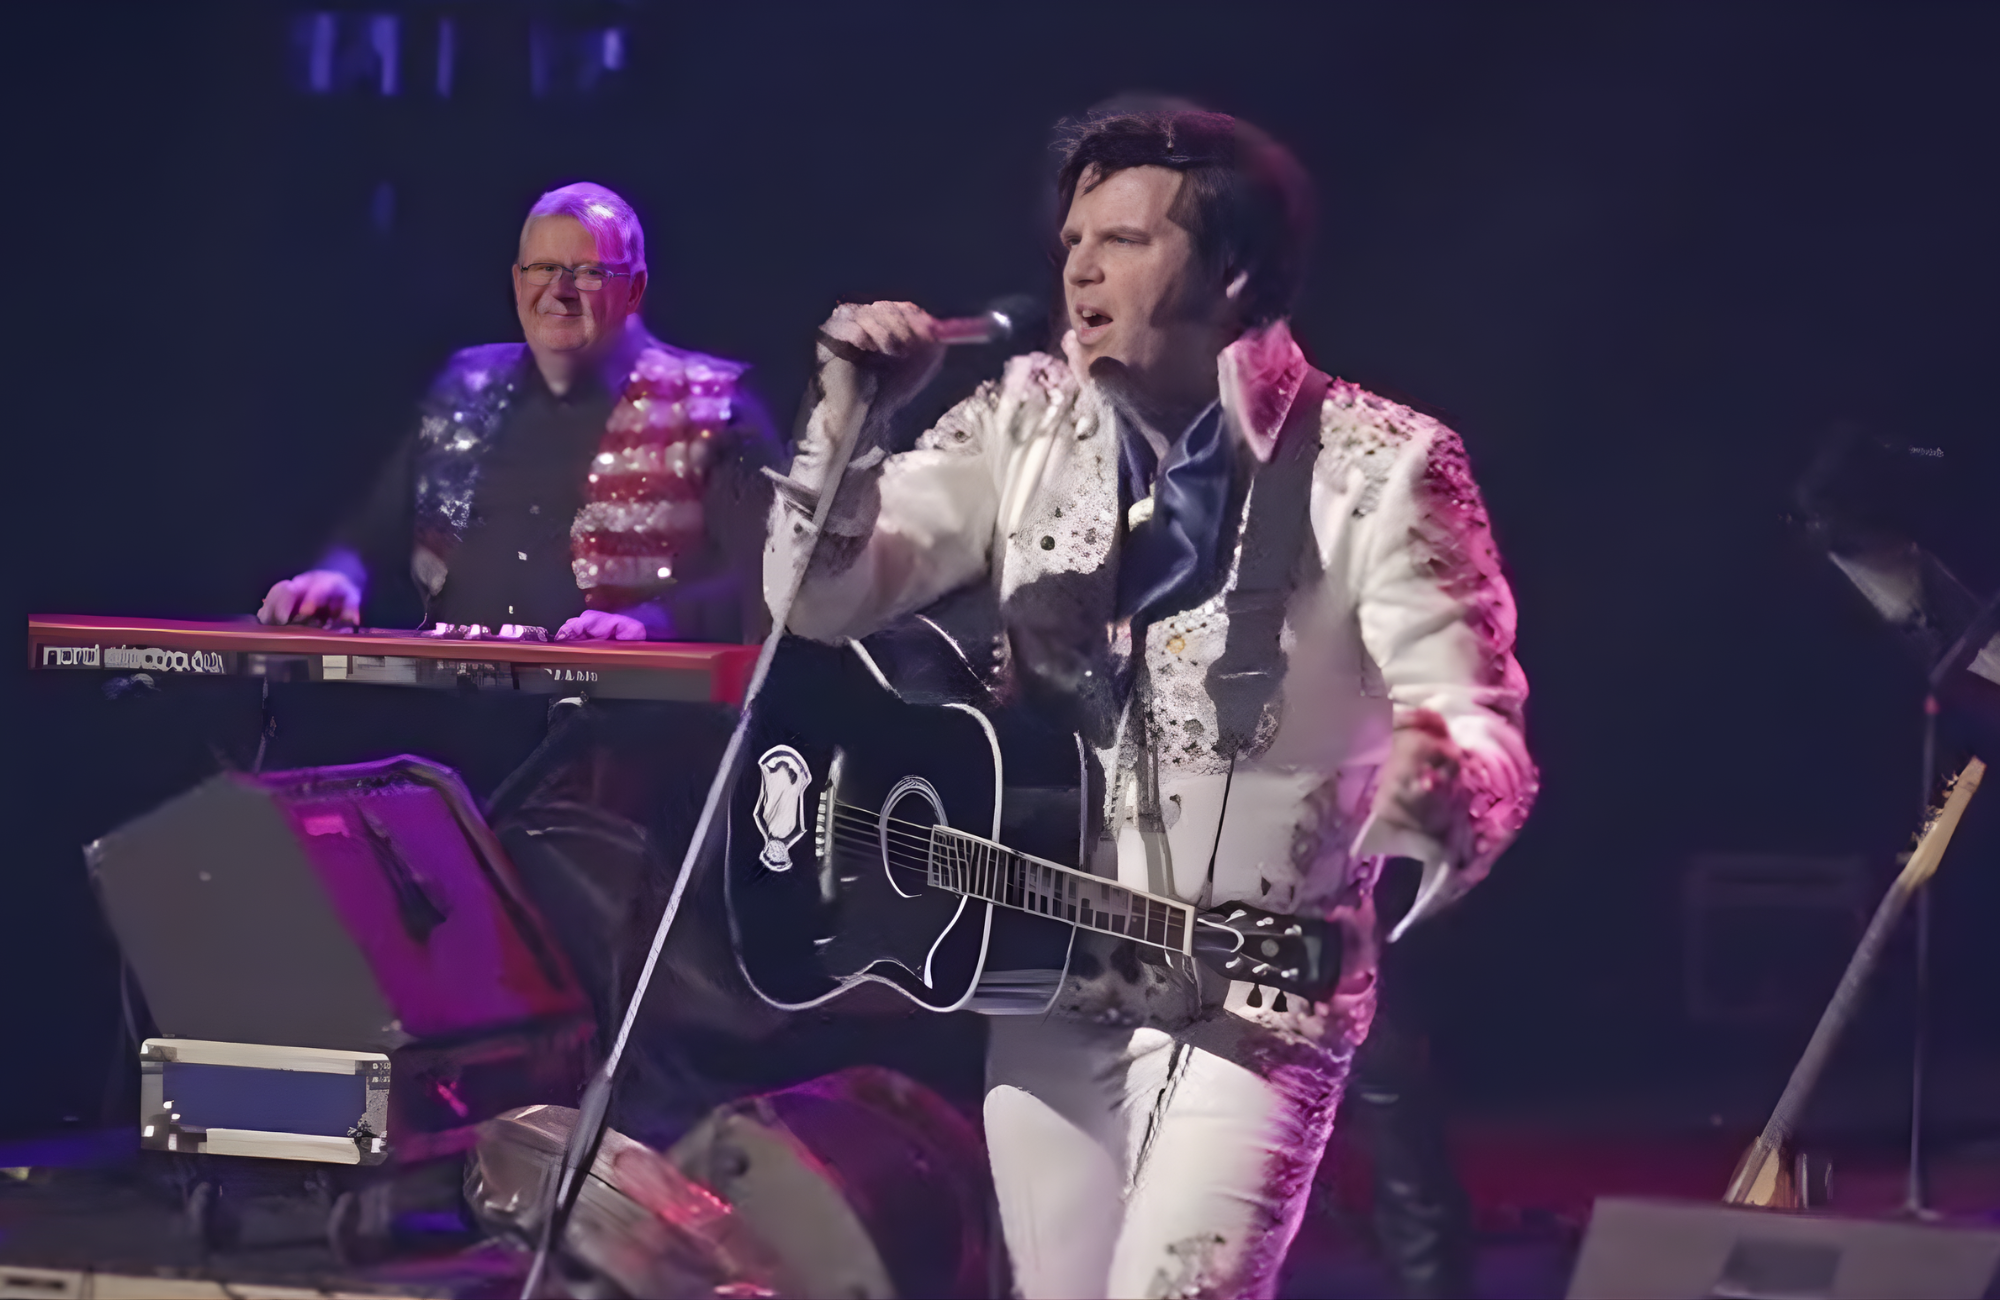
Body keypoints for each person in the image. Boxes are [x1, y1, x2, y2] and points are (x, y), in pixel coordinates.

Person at [764, 106, 1538, 1298]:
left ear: (1232, 272)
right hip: (1046, 973)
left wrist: (1440, 772)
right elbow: (819, 600)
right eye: (1072, 241)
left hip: (1254, 994)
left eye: (1123, 240)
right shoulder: (1021, 421)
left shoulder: (1378, 461)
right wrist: (847, 424)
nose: (1079, 267)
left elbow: (1476, 709)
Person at [259, 181, 775, 643]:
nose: (560, 291)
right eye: (543, 269)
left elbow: (775, 579)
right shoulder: (465, 387)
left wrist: (656, 621)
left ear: (634, 289)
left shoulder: (715, 406)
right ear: (517, 280)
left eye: (588, 273)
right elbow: (370, 538)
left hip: (630, 712)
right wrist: (336, 579)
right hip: (450, 709)